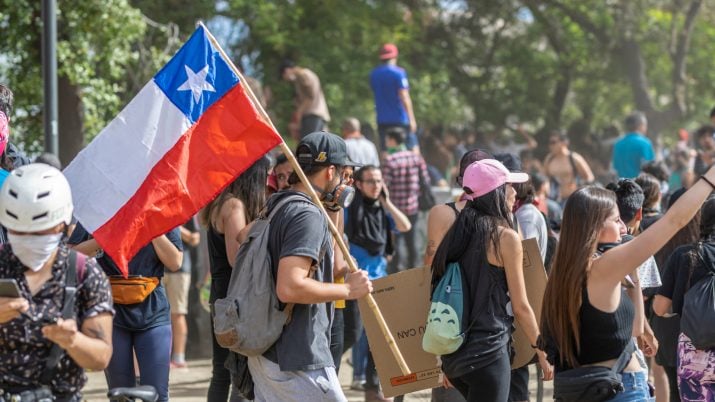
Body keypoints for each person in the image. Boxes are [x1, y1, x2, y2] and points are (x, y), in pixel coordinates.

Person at [541, 164, 715, 401]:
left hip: (594, 387)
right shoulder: (603, 267)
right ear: (594, 227)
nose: (624, 227)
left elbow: (632, 330)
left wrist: (631, 270)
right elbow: (675, 221)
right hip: (621, 389)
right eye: (616, 220)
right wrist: (710, 177)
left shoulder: (565, 269)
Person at [246, 131, 371, 401]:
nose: (345, 181)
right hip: (298, 355)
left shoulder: (277, 204)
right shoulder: (307, 215)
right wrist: (349, 290)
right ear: (329, 172)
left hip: (268, 349)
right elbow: (290, 287)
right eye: (343, 174)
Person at [430, 159, 552, 401]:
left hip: (454, 356)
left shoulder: (455, 230)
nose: (515, 192)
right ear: (495, 192)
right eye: (508, 185)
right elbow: (520, 306)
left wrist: (441, 360)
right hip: (488, 354)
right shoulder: (504, 238)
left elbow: (438, 293)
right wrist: (542, 349)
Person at [0, 164, 113, 401]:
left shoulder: (84, 272)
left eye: (39, 232)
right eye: (18, 232)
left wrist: (72, 340)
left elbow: (101, 356)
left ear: (61, 224)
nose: (28, 239)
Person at [69, 225, 182, 402]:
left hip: (153, 311)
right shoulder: (97, 210)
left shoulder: (159, 207)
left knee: (157, 394)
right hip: (111, 313)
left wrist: (149, 226)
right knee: (120, 395)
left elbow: (175, 262)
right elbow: (71, 257)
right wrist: (104, 236)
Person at [200, 156, 270, 402]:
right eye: (265, 176)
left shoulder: (222, 201)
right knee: (237, 370)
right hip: (232, 300)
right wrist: (265, 218)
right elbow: (236, 258)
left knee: (222, 370)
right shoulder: (234, 206)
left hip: (223, 297)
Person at [344, 165, 411, 402]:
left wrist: (387, 202)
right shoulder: (348, 209)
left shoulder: (382, 210)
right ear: (359, 184)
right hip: (355, 282)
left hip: (380, 281)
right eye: (371, 181)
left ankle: (373, 387)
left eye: (379, 181)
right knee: (355, 334)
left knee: (380, 338)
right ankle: (356, 376)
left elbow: (405, 225)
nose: (376, 186)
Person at [382, 127, 430, 273]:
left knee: (396, 242)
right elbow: (426, 180)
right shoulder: (416, 158)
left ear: (392, 140)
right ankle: (413, 271)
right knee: (412, 241)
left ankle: (396, 271)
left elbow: (384, 185)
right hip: (413, 206)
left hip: (395, 209)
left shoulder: (390, 160)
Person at [369, 43, 418, 152]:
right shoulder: (399, 73)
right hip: (401, 120)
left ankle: (387, 168)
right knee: (413, 148)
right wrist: (412, 119)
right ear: (394, 57)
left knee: (385, 150)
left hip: (382, 120)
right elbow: (404, 96)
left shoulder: (374, 74)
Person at [165, 218, 200, 369]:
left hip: (180, 269)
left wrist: (175, 227)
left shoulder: (187, 210)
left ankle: (178, 358)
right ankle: (162, 357)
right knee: (156, 316)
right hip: (156, 267)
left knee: (178, 313)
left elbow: (195, 239)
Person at [280, 60, 331, 139]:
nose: (287, 79)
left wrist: (299, 111)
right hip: (319, 115)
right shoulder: (306, 74)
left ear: (287, 70)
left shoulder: (302, 75)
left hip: (312, 116)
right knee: (319, 147)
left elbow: (310, 96)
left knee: (308, 146)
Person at [543, 131, 594, 201]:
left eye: (553, 142)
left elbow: (590, 177)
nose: (550, 146)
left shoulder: (574, 158)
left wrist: (579, 185)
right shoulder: (549, 159)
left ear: (563, 142)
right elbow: (544, 178)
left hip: (573, 199)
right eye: (549, 143)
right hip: (554, 199)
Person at [612, 111, 655, 179]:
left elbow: (615, 167)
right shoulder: (645, 143)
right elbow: (650, 169)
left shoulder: (618, 144)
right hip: (639, 187)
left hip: (621, 186)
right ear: (641, 125)